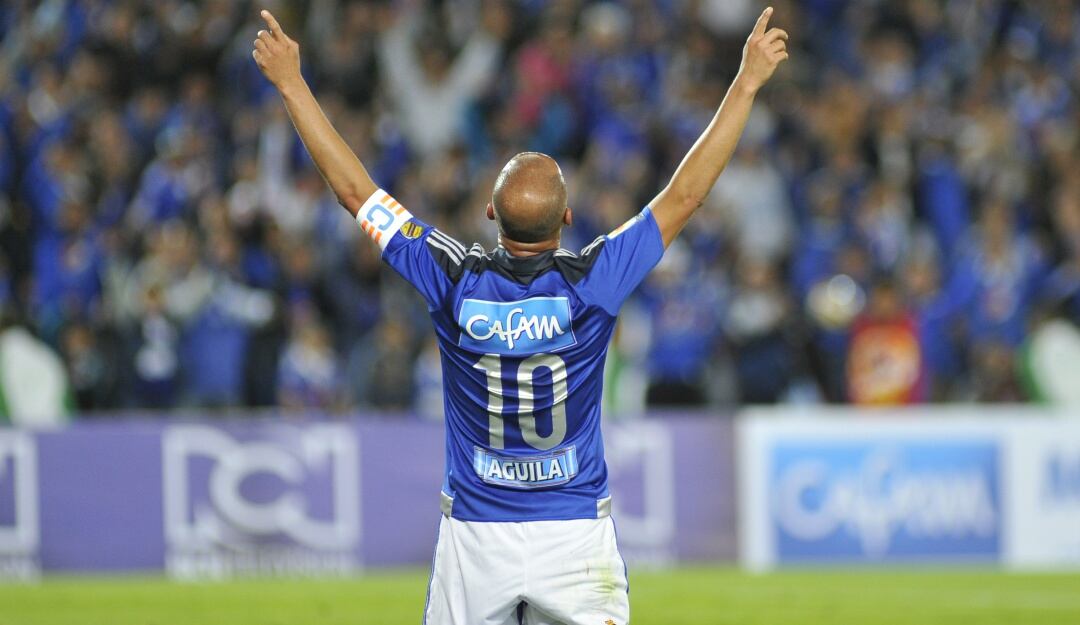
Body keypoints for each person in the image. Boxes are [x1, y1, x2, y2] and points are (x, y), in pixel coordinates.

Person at [252, 7, 787, 624]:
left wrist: (291, 84)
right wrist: (746, 82)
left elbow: (357, 194)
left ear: (490, 214)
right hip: (576, 534)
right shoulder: (596, 282)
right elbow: (685, 195)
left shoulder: (451, 279)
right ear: (567, 219)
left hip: (476, 537)